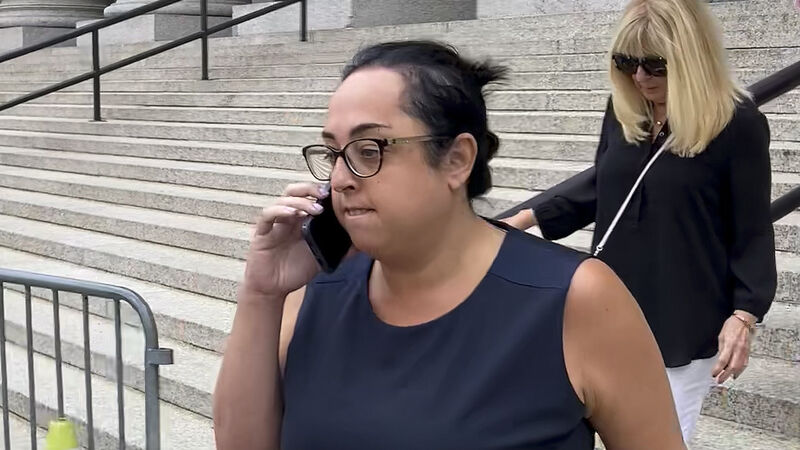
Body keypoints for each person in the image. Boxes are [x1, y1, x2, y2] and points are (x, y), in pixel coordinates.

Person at [213, 40, 686, 449]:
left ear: (457, 159)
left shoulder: (575, 299)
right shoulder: (313, 293)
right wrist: (261, 293)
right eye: (334, 153)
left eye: (369, 150)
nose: (340, 179)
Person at [503, 0, 777, 442]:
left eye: (655, 64)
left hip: (685, 316)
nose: (640, 77)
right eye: (626, 62)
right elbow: (604, 183)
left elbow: (752, 228)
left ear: (691, 58)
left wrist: (744, 314)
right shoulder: (625, 111)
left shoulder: (737, 123)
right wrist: (527, 217)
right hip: (608, 302)